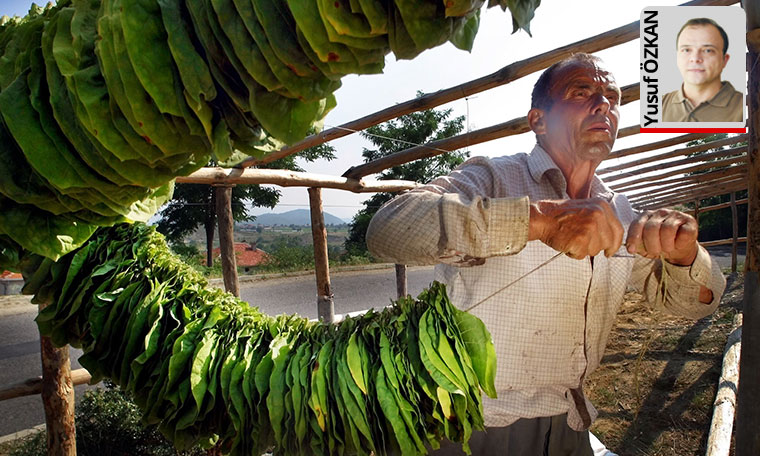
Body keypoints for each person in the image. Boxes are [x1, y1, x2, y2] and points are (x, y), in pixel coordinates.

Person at [366, 53, 726, 455]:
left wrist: (684, 256)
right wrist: (542, 221)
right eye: (582, 91)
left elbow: (695, 305)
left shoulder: (620, 212)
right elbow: (389, 228)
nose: (604, 104)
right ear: (538, 120)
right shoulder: (495, 177)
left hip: (569, 423)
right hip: (471, 423)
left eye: (612, 96)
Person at [662, 18, 743, 122]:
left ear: (724, 60)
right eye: (686, 50)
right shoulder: (656, 106)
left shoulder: (747, 107)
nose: (695, 58)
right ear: (677, 57)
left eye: (708, 50)